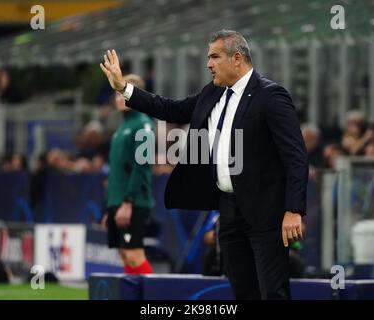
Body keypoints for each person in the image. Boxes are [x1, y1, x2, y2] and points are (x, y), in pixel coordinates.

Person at [100, 30, 308, 299]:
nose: (208, 64)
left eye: (214, 57)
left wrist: (293, 209)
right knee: (243, 293)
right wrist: (124, 88)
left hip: (266, 213)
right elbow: (171, 109)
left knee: (273, 292)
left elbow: (296, 156)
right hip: (228, 211)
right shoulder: (213, 93)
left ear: (237, 58)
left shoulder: (271, 95)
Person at [101, 74, 155, 275]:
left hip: (133, 202)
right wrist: (111, 207)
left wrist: (128, 202)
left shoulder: (143, 125)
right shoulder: (121, 127)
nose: (118, 98)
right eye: (116, 93)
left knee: (134, 255)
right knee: (124, 255)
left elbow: (141, 168)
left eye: (123, 92)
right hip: (119, 203)